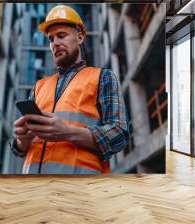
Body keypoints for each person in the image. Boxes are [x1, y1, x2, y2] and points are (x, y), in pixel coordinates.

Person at [11, 5, 129, 174]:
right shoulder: (39, 87)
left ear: (80, 37)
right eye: (51, 39)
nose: (55, 43)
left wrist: (66, 132)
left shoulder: (102, 77)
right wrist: (22, 139)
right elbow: (21, 150)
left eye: (61, 35)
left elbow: (119, 136)